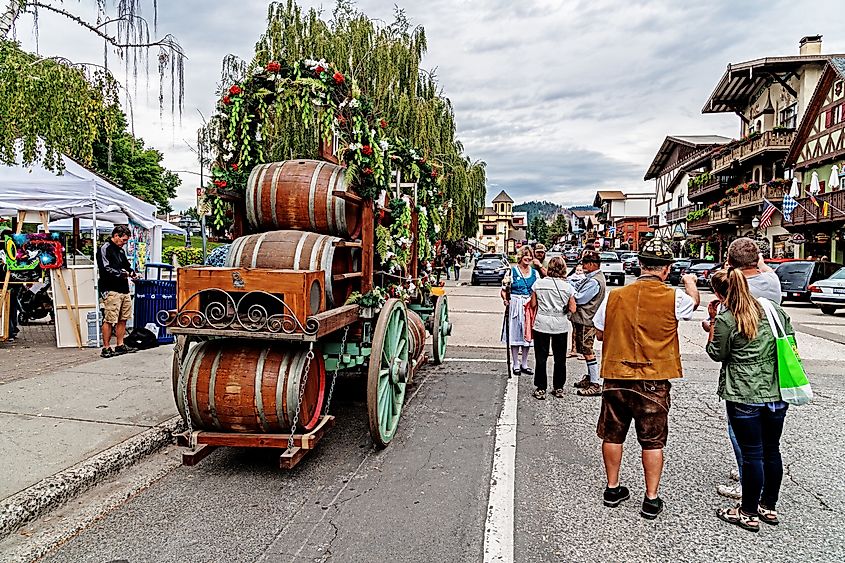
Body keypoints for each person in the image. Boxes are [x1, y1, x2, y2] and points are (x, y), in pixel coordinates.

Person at [593, 239, 700, 519]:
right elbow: (693, 305)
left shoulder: (614, 296)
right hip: (653, 377)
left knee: (613, 434)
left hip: (617, 374)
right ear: (666, 269)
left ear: (640, 264)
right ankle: (651, 498)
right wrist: (690, 283)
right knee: (652, 441)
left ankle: (612, 488)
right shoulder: (674, 297)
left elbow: (599, 333)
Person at [707, 269, 792, 532]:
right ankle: (769, 505)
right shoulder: (774, 310)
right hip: (777, 391)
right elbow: (790, 341)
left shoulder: (728, 318)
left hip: (744, 392)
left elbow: (716, 353)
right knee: (771, 449)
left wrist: (711, 326)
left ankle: (748, 512)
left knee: (752, 454)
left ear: (721, 294)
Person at [703, 238, 781, 500]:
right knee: (770, 446)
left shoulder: (733, 288)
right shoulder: (772, 282)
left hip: (743, 377)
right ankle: (766, 498)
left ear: (729, 262)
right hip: (773, 373)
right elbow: (764, 267)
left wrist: (713, 325)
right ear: (757, 258)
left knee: (744, 439)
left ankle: (747, 486)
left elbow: (720, 349)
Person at [529, 257, 576, 399]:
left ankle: (541, 387)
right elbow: (573, 308)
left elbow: (532, 304)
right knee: (560, 358)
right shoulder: (568, 287)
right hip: (560, 324)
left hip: (542, 322)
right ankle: (558, 387)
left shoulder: (538, 284)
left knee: (541, 357)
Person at [97, 225, 137, 358]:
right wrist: (122, 274)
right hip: (111, 288)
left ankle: (120, 344)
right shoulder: (105, 248)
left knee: (123, 318)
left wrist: (132, 272)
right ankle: (106, 347)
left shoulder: (121, 251)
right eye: (124, 240)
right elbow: (105, 268)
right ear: (116, 236)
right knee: (109, 318)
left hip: (123, 288)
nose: (125, 243)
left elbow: (126, 266)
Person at [571, 251, 606, 397]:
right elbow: (577, 284)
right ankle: (591, 377)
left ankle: (595, 383)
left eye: (585, 263)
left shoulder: (593, 281)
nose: (582, 266)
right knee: (585, 350)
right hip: (585, 319)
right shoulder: (591, 277)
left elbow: (580, 299)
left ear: (592, 264)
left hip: (587, 319)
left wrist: (569, 291)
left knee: (588, 351)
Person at [501, 246, 538, 376]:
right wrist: (506, 300)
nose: (528, 258)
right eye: (525, 255)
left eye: (530, 256)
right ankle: (515, 363)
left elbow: (537, 290)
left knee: (527, 334)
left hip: (529, 305)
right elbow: (504, 289)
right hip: (515, 304)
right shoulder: (512, 271)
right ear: (521, 256)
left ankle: (524, 363)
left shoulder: (534, 273)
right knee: (515, 334)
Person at [567, 264, 585, 359]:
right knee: (574, 329)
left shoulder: (585, 280)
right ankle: (573, 349)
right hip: (574, 306)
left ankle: (582, 351)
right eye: (577, 270)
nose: (578, 273)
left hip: (582, 307)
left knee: (581, 330)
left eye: (580, 270)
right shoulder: (570, 279)